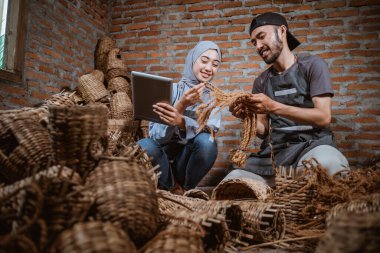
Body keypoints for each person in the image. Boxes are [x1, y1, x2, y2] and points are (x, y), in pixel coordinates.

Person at [228, 12, 349, 187]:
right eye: (254, 42)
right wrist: (247, 117)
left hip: (311, 149)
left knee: (329, 165)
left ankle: (288, 183)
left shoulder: (313, 65)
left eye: (261, 37)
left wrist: (274, 107)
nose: (258, 46)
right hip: (275, 156)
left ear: (282, 31)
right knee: (233, 180)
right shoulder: (261, 81)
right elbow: (263, 130)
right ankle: (285, 183)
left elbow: (323, 117)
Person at [138, 41, 222, 194]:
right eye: (204, 61)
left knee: (208, 142)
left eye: (215, 64)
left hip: (186, 161)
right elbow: (156, 137)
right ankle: (171, 187)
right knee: (145, 144)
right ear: (192, 60)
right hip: (162, 159)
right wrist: (181, 105)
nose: (209, 68)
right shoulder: (170, 90)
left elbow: (209, 132)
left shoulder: (213, 99)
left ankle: (185, 187)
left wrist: (182, 122)